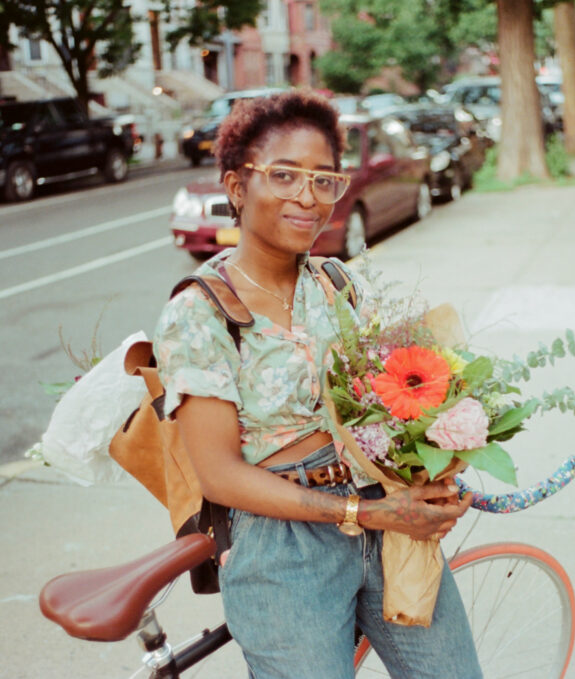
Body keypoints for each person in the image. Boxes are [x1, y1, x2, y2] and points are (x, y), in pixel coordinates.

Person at [152, 91, 482, 678]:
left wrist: (431, 470)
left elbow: (383, 406)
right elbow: (220, 475)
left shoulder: (336, 284)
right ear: (235, 186)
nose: (307, 197)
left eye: (324, 179)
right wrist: (366, 513)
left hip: (386, 521)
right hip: (282, 550)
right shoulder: (200, 313)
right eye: (283, 175)